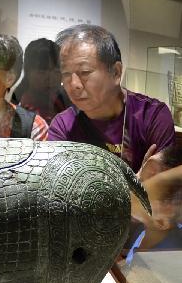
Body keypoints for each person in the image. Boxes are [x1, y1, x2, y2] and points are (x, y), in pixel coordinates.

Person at [47, 24, 174, 172]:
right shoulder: (63, 126)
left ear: (116, 72)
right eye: (66, 74)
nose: (74, 84)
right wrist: (137, 185)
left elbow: (162, 186)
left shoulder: (151, 116)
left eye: (85, 71)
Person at [11, 38, 70, 123]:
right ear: (28, 71)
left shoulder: (64, 101)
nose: (51, 77)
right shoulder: (20, 107)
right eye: (42, 71)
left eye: (57, 70)